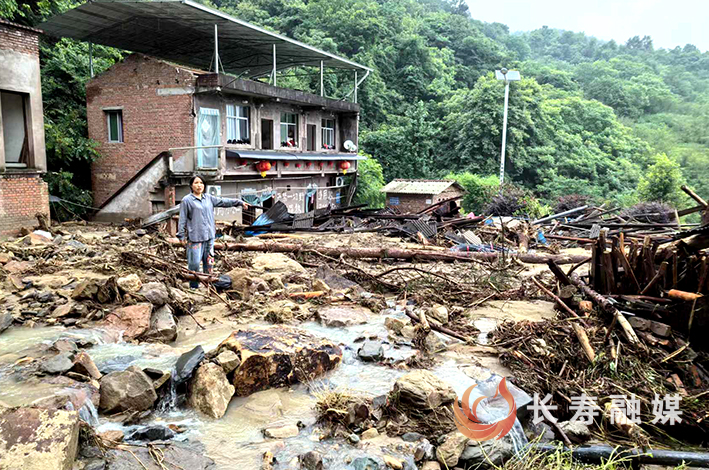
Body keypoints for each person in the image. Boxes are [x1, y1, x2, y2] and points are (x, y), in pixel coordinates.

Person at [177, 175, 249, 289]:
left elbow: (223, 201)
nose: (199, 185)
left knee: (209, 262)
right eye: (196, 183)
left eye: (201, 183)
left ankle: (208, 285)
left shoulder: (208, 198)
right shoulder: (187, 200)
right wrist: (181, 236)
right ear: (191, 185)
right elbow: (182, 219)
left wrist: (239, 202)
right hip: (195, 237)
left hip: (209, 236)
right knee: (194, 264)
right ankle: (194, 287)